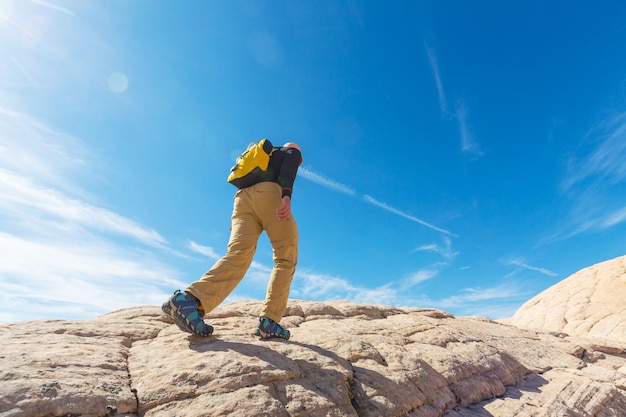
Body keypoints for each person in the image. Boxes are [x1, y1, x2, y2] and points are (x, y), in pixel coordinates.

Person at [162, 141, 303, 340]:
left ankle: (189, 300)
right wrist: (286, 195)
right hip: (270, 195)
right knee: (285, 259)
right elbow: (290, 166)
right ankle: (269, 322)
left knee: (238, 253)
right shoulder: (290, 150)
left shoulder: (262, 156)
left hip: (241, 200)